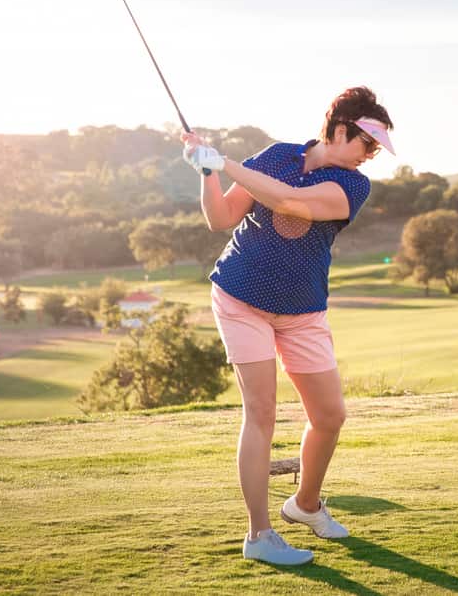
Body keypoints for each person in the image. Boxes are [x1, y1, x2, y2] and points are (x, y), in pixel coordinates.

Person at [180, 86, 395, 566]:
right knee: (261, 413)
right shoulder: (276, 155)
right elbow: (220, 218)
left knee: (330, 417)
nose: (369, 157)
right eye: (367, 145)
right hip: (241, 298)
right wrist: (207, 171)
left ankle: (304, 504)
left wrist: (226, 163)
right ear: (340, 131)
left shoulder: (354, 186)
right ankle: (259, 535)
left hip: (302, 311)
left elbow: (291, 203)